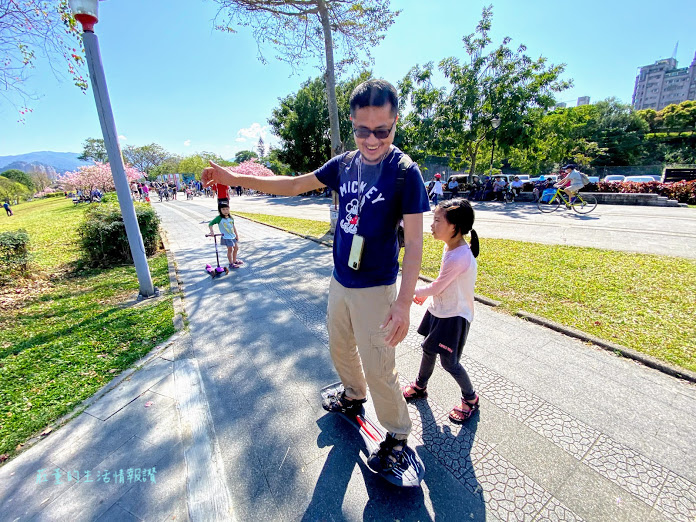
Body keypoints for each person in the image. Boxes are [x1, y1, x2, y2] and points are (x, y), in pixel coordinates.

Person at [201, 79, 430, 475]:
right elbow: (292, 184)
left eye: (382, 130)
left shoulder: (404, 173)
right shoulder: (344, 164)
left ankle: (396, 435)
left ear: (395, 123)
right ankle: (353, 395)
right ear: (353, 124)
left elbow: (414, 243)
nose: (371, 140)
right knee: (340, 348)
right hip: (340, 279)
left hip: (376, 288)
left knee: (380, 366)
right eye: (362, 130)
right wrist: (235, 177)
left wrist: (403, 304)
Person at [402, 198, 480, 423]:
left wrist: (408, 292)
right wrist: (427, 295)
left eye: (437, 220)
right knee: (428, 349)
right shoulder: (452, 247)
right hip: (441, 310)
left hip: (454, 317)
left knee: (450, 362)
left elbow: (437, 286)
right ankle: (420, 386)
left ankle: (470, 399)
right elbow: (442, 285)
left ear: (454, 227)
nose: (432, 225)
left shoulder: (460, 256)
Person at [208, 203, 243, 268]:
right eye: (223, 209)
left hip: (232, 236)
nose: (225, 211)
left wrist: (236, 235)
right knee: (230, 250)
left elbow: (233, 226)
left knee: (236, 248)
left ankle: (234, 261)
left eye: (227, 209)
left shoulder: (231, 218)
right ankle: (231, 263)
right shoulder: (219, 218)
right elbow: (210, 224)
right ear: (220, 210)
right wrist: (211, 231)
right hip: (226, 237)